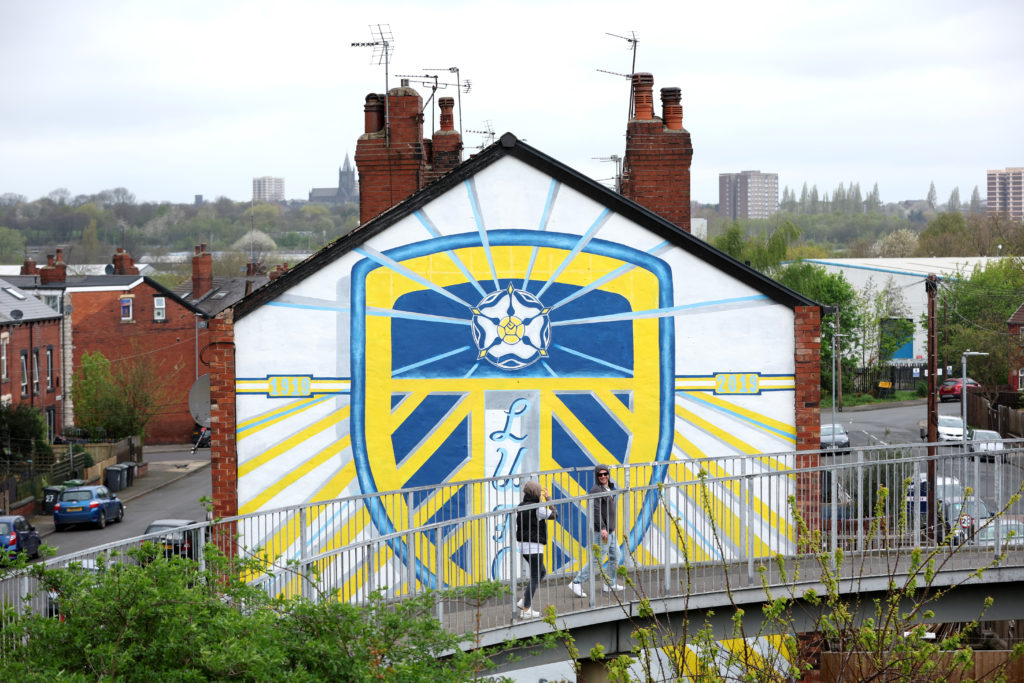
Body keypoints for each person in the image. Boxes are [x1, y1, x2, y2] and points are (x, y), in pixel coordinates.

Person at [568, 464, 624, 597]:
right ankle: (577, 582)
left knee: (615, 555)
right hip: (602, 532)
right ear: (596, 476)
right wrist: (603, 528)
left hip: (610, 531)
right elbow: (596, 511)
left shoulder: (608, 488)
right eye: (600, 474)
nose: (603, 476)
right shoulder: (596, 491)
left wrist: (610, 527)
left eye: (605, 474)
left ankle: (610, 583)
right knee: (597, 559)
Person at [515, 479, 557, 620]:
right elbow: (555, 514)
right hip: (534, 546)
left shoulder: (521, 506)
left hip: (523, 545)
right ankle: (526, 610)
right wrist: (548, 499)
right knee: (535, 576)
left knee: (541, 572)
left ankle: (523, 601)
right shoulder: (538, 508)